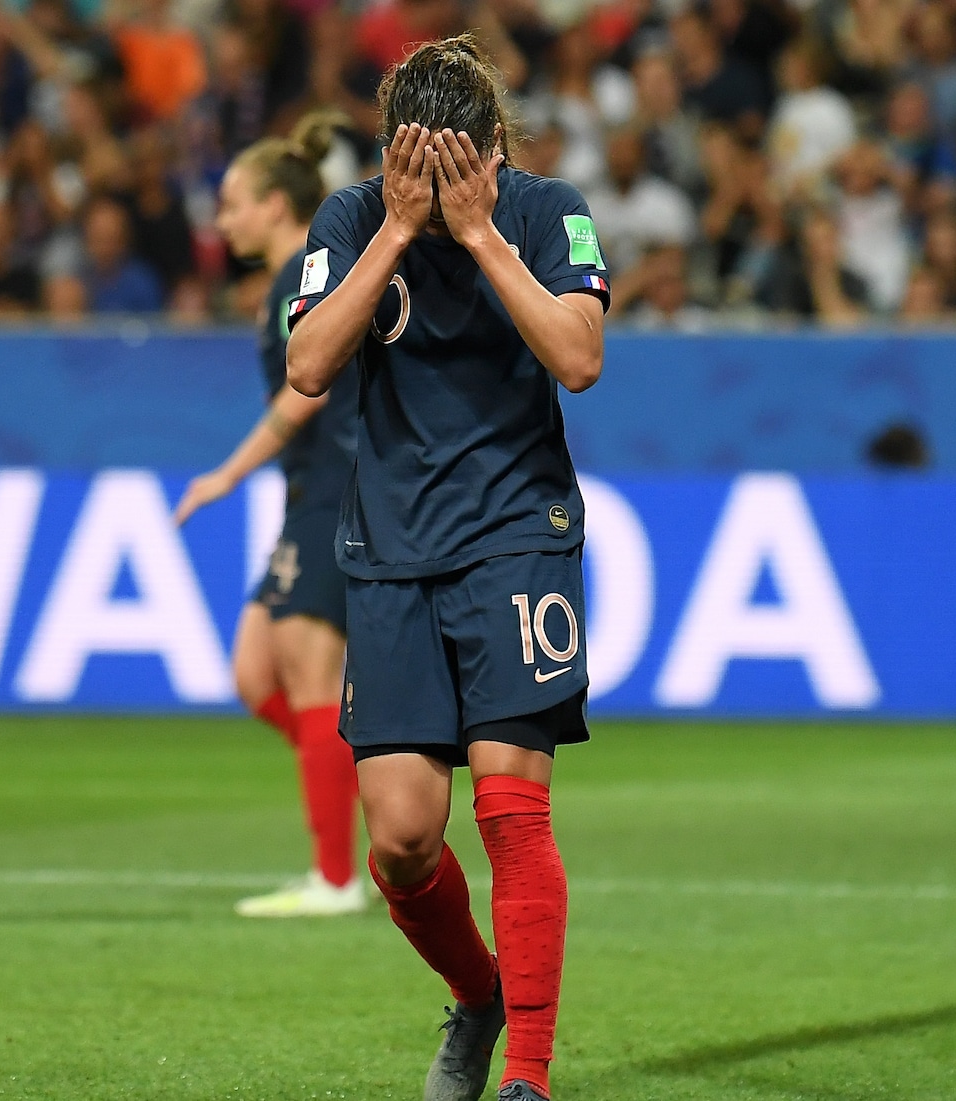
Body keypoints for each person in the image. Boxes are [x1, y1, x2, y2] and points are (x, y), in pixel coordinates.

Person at [285, 35, 608, 1101]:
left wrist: (474, 233)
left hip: (517, 535)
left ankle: (527, 1075)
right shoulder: (348, 221)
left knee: (511, 805)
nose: (432, 183)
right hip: (389, 553)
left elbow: (577, 358)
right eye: (409, 165)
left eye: (454, 165)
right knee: (408, 845)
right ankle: (475, 997)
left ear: (493, 147)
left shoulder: (545, 208)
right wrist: (397, 226)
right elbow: (309, 364)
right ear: (385, 156)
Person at [174, 110, 363, 918]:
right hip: (308, 489)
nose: (223, 221)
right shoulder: (282, 284)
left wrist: (225, 473)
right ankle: (363, 785)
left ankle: (336, 878)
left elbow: (305, 389)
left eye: (233, 203)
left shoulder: (305, 278)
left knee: (310, 672)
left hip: (338, 483)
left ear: (278, 206)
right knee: (255, 674)